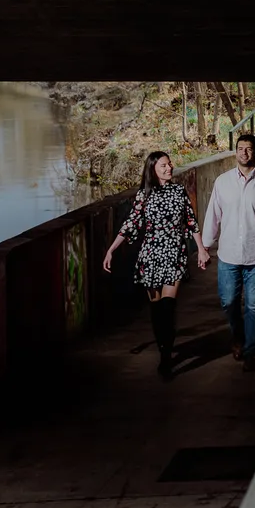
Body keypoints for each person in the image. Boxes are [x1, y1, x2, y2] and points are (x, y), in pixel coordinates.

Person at [104, 151, 208, 379]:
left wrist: (200, 248)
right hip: (150, 257)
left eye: (170, 164)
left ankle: (166, 357)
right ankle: (163, 347)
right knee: (157, 309)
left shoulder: (179, 191)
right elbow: (130, 224)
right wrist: (111, 249)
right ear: (153, 169)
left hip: (174, 255)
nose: (169, 168)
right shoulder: (144, 195)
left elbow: (191, 221)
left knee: (168, 307)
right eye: (163, 165)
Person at [201, 132, 255, 372]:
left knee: (254, 305)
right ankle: (238, 336)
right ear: (235, 151)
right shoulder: (222, 182)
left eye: (249, 149)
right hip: (228, 254)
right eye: (240, 148)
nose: (244, 152)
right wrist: (204, 247)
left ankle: (250, 351)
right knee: (228, 301)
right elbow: (213, 216)